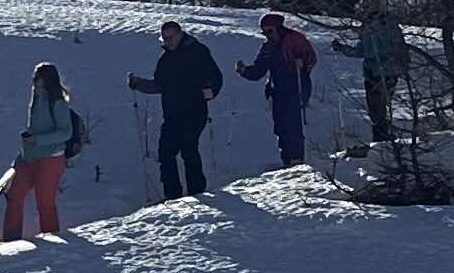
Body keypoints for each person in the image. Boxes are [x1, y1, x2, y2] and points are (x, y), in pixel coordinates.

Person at [126, 23, 223, 199]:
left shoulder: (198, 51)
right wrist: (139, 84)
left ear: (179, 34)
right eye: (164, 38)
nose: (167, 42)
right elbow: (159, 85)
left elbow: (216, 77)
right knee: (165, 153)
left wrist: (211, 90)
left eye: (170, 38)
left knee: (188, 149)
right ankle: (172, 196)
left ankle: (197, 192)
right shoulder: (166, 60)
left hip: (195, 111)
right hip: (172, 115)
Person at [0, 61, 81, 239]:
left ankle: (50, 239)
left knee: (45, 203)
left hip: (51, 158)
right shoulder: (35, 97)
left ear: (47, 80)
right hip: (29, 157)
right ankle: (10, 241)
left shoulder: (58, 103)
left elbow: (66, 132)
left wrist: (38, 140)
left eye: (38, 77)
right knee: (14, 196)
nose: (34, 80)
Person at [238, 11, 319, 165]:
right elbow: (258, 71)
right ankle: (287, 159)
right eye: (264, 32)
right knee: (280, 126)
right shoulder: (268, 47)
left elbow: (311, 58)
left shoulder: (295, 39)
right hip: (278, 90)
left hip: (297, 86)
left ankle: (296, 159)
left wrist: (302, 61)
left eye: (270, 31)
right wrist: (243, 71)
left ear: (278, 28)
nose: (267, 35)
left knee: (292, 124)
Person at [340, 6, 412, 146]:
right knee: (375, 107)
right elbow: (362, 50)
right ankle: (381, 136)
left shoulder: (388, 25)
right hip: (372, 71)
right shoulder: (367, 27)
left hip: (386, 71)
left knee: (379, 105)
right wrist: (343, 49)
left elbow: (398, 47)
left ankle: (383, 137)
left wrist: (395, 63)